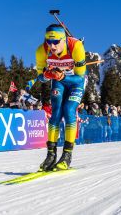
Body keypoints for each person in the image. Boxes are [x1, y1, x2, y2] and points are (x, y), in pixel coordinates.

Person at [36, 24, 86, 171]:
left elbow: (80, 78)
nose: (52, 46)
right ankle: (50, 155)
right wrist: (46, 75)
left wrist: (63, 76)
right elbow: (40, 77)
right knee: (56, 112)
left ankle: (67, 155)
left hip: (75, 82)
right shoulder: (41, 50)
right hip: (58, 81)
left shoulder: (76, 47)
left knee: (69, 109)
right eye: (48, 41)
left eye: (56, 42)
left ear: (64, 40)